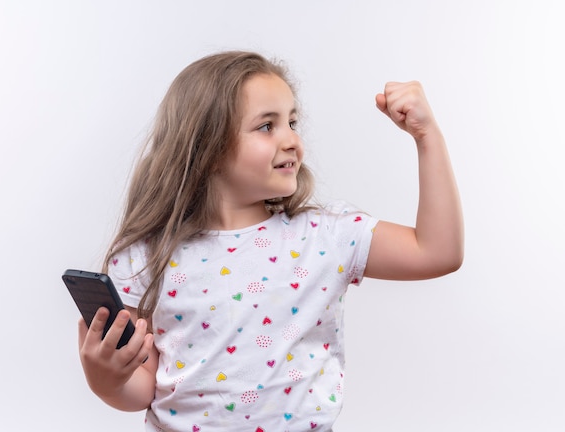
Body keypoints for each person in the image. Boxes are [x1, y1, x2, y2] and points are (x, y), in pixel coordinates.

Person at [77, 50, 463, 431]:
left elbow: (436, 252)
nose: (292, 139)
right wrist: (106, 378)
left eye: (292, 122)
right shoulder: (146, 255)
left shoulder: (324, 236)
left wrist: (427, 137)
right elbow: (143, 390)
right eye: (267, 126)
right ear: (206, 147)